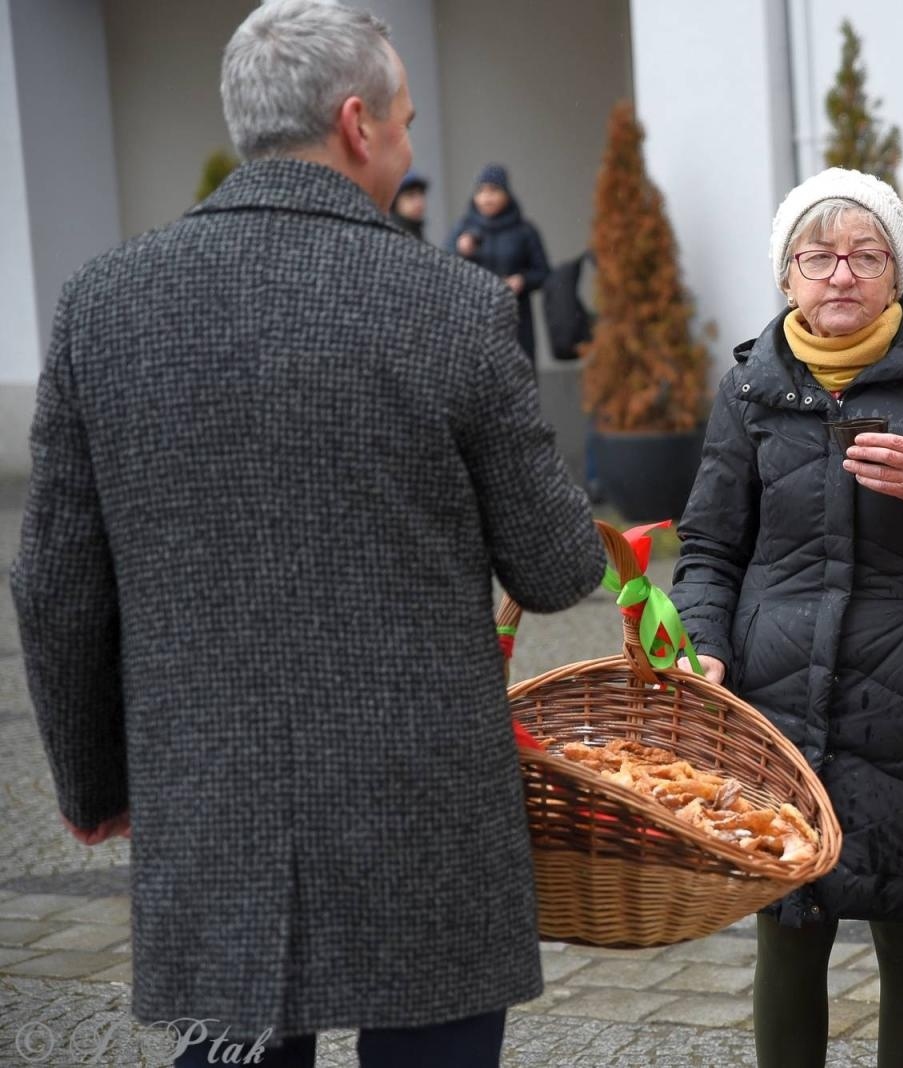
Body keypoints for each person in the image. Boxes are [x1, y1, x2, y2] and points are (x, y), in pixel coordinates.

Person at [8, 3, 604, 1065]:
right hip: (421, 809)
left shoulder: (101, 304)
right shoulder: (454, 306)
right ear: (356, 124)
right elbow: (558, 568)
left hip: (208, 794)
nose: (412, 144)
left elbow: (54, 582)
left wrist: (94, 784)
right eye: (408, 120)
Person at [669, 167, 903, 1068]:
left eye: (865, 255)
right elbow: (709, 548)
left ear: (896, 272)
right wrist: (702, 648)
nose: (841, 273)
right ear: (786, 277)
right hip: (776, 705)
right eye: (817, 255)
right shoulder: (750, 390)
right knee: (788, 927)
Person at [449, 163, 551, 367]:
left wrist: (521, 280)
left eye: (494, 191)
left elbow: (544, 273)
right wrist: (461, 251)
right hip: (475, 319)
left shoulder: (524, 230)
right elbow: (444, 267)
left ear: (507, 194)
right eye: (481, 191)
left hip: (515, 319)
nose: (487, 198)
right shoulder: (463, 228)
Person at [390, 169, 429, 238]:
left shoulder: (416, 231)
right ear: (394, 201)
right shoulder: (393, 236)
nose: (418, 202)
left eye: (421, 194)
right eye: (410, 195)